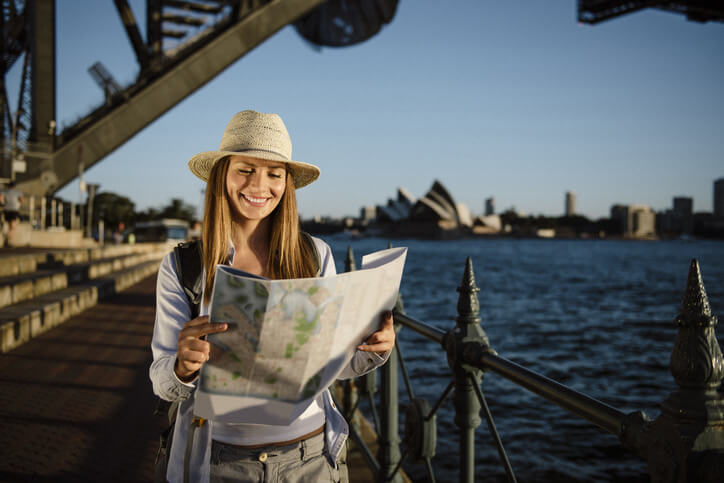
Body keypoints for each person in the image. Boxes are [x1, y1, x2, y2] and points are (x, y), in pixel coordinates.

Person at [150, 110, 396, 483]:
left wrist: (372, 350)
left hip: (310, 457)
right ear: (223, 175)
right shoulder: (183, 266)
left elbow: (329, 368)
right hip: (218, 460)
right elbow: (161, 381)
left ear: (287, 183)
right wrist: (183, 367)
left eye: (274, 173)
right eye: (245, 169)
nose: (259, 185)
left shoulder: (316, 255)